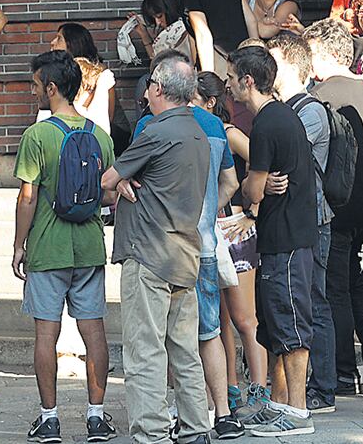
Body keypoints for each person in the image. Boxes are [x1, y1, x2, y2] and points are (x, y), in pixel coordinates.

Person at [101, 50, 216, 444]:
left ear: (161, 89)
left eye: (149, 85)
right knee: (184, 350)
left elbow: (107, 179)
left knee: (145, 351)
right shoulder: (200, 133)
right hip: (184, 254)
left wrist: (118, 183)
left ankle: (151, 433)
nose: (145, 92)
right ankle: (197, 428)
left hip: (148, 254)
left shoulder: (157, 131)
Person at [129, 62, 244, 440]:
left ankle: (158, 427)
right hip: (200, 245)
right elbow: (229, 180)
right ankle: (216, 415)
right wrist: (208, 212)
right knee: (202, 338)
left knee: (151, 344)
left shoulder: (152, 126)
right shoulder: (211, 126)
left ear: (160, 88)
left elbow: (119, 177)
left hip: (157, 247)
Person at [12, 50, 117, 444]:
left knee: (46, 336)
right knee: (94, 333)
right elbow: (108, 195)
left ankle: (50, 418)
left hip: (46, 247)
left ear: (52, 88)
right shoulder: (100, 136)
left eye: (36, 84)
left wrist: (19, 246)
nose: (33, 91)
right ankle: (96, 416)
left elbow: (27, 197)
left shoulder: (36, 136)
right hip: (88, 246)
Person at [227, 46, 317, 436]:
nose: (228, 83)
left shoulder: (266, 123)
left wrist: (253, 188)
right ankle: (281, 403)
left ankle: (297, 411)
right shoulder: (282, 116)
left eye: (232, 77)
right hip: (284, 236)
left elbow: (254, 190)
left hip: (288, 238)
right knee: (279, 325)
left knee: (292, 324)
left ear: (248, 80)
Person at [302, 18, 363, 395]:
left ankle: (343, 370)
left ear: (320, 56)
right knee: (360, 285)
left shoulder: (324, 96)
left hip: (340, 204)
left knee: (334, 288)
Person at [266, 34, 337, 415]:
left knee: (313, 303)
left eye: (272, 59)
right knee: (298, 303)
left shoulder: (310, 111)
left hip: (314, 218)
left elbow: (288, 159)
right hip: (294, 219)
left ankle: (322, 389)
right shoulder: (284, 108)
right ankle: (296, 389)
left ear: (290, 65)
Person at [192, 73, 271, 415]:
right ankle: (230, 387)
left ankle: (259, 387)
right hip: (211, 227)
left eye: (193, 98)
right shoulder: (197, 131)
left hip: (234, 227)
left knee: (244, 318)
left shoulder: (226, 132)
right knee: (217, 320)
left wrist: (251, 211)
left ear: (210, 102)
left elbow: (261, 160)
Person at [47, 23, 116, 135]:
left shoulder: (102, 75)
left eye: (59, 38)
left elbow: (108, 116)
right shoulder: (54, 73)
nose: (53, 42)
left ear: (72, 44)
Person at [129, 0, 193, 60]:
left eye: (159, 16)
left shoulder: (180, 30)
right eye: (154, 18)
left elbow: (157, 62)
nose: (158, 22)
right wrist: (144, 34)